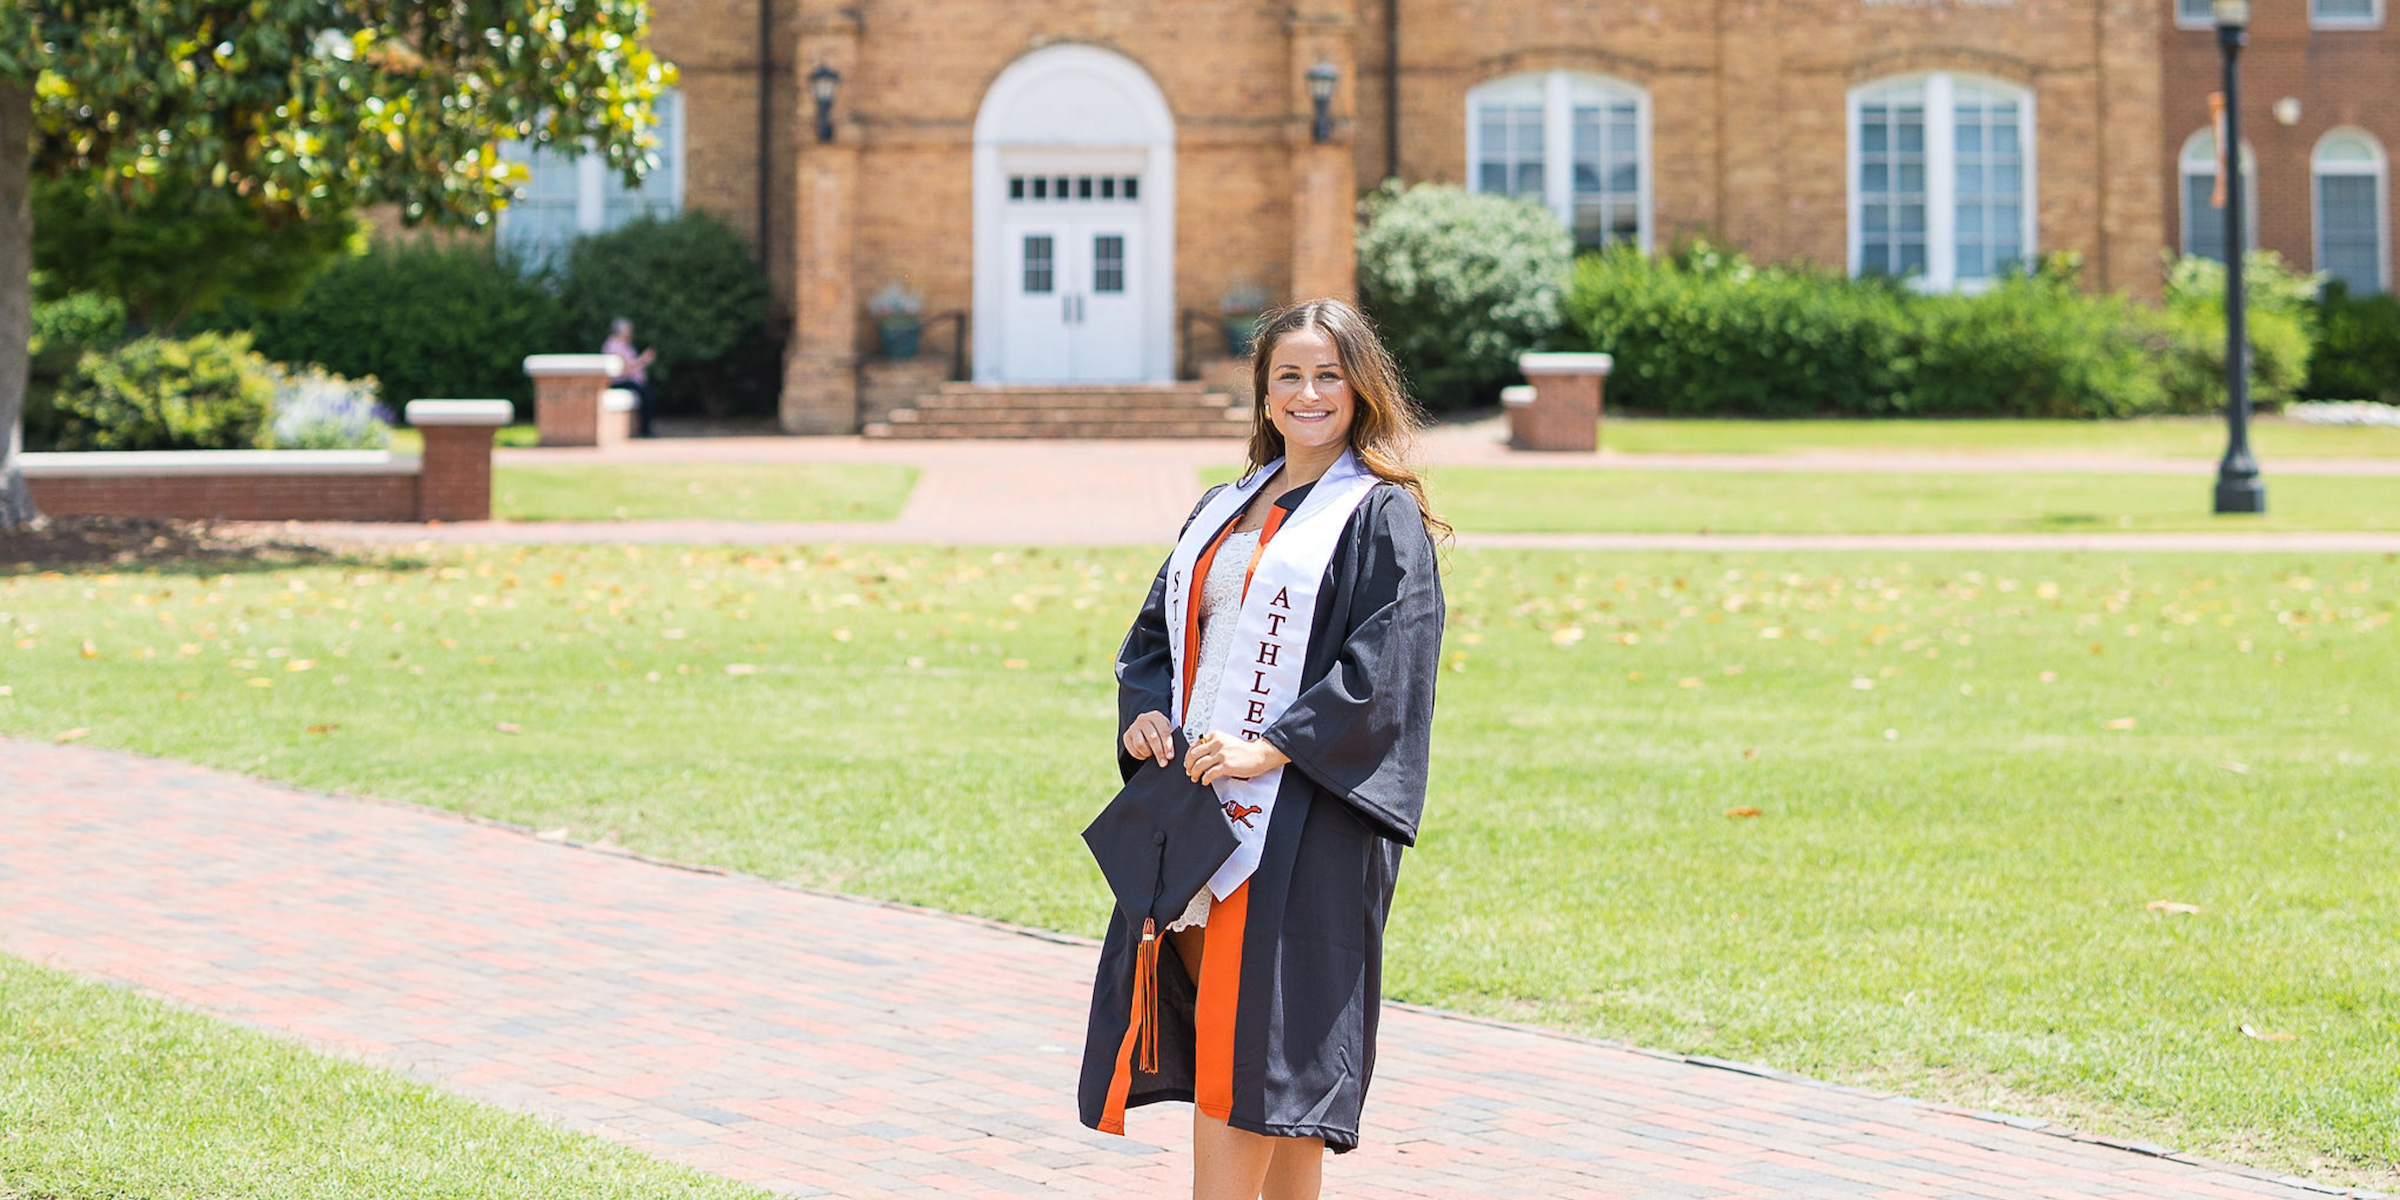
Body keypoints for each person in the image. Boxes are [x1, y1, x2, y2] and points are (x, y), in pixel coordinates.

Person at [1079, 298, 1449, 1200]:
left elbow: (1385, 668)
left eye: (1329, 374)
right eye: (1289, 375)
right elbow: (1157, 639)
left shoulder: (1377, 515)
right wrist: (1146, 712)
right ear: (1264, 391)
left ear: (1362, 389)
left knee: (1259, 1049)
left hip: (1300, 816)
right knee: (1247, 1053)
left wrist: (1272, 748)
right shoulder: (1223, 507)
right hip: (1201, 809)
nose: (1309, 392)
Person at [599, 317, 658, 438]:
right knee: (646, 394)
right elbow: (624, 368)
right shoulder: (613, 345)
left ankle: (646, 428)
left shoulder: (624, 344)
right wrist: (644, 359)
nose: (630, 332)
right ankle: (645, 430)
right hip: (620, 381)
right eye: (627, 329)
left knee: (648, 393)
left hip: (631, 380)